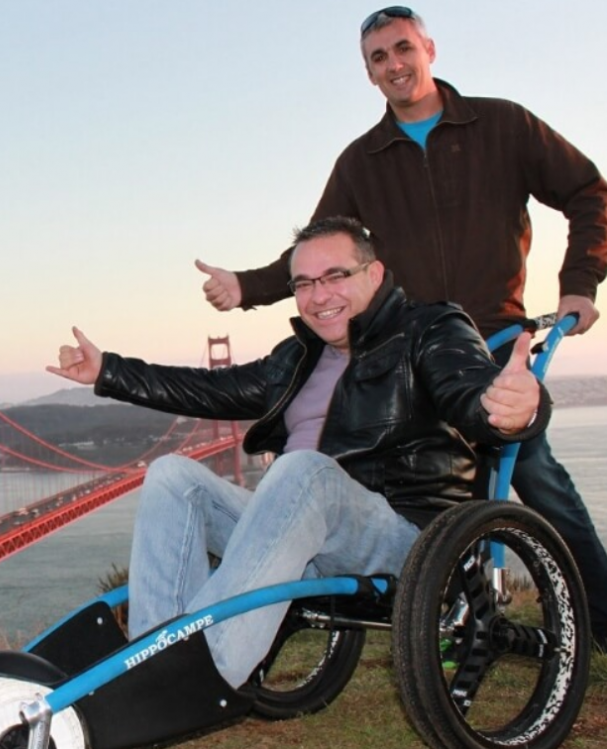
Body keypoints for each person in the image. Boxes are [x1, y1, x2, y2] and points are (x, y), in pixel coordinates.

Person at [195, 7, 607, 650]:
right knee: (384, 491)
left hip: (491, 345)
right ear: (368, 74)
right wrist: (246, 287)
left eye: (402, 49)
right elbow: (319, 253)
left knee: (536, 479)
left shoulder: (503, 124)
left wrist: (579, 283)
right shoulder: (361, 160)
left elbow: (589, 191)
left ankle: (601, 630)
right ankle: (431, 613)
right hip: (406, 354)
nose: (394, 65)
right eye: (378, 59)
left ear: (429, 49)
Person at [47, 216, 548, 688]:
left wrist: (511, 408)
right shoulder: (297, 357)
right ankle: (153, 661)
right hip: (300, 530)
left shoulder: (430, 328)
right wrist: (107, 371)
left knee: (304, 471)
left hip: (404, 536)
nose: (318, 295)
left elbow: (471, 390)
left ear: (374, 273)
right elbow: (207, 388)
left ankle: (204, 676)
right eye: (304, 283)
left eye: (335, 276)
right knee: (172, 475)